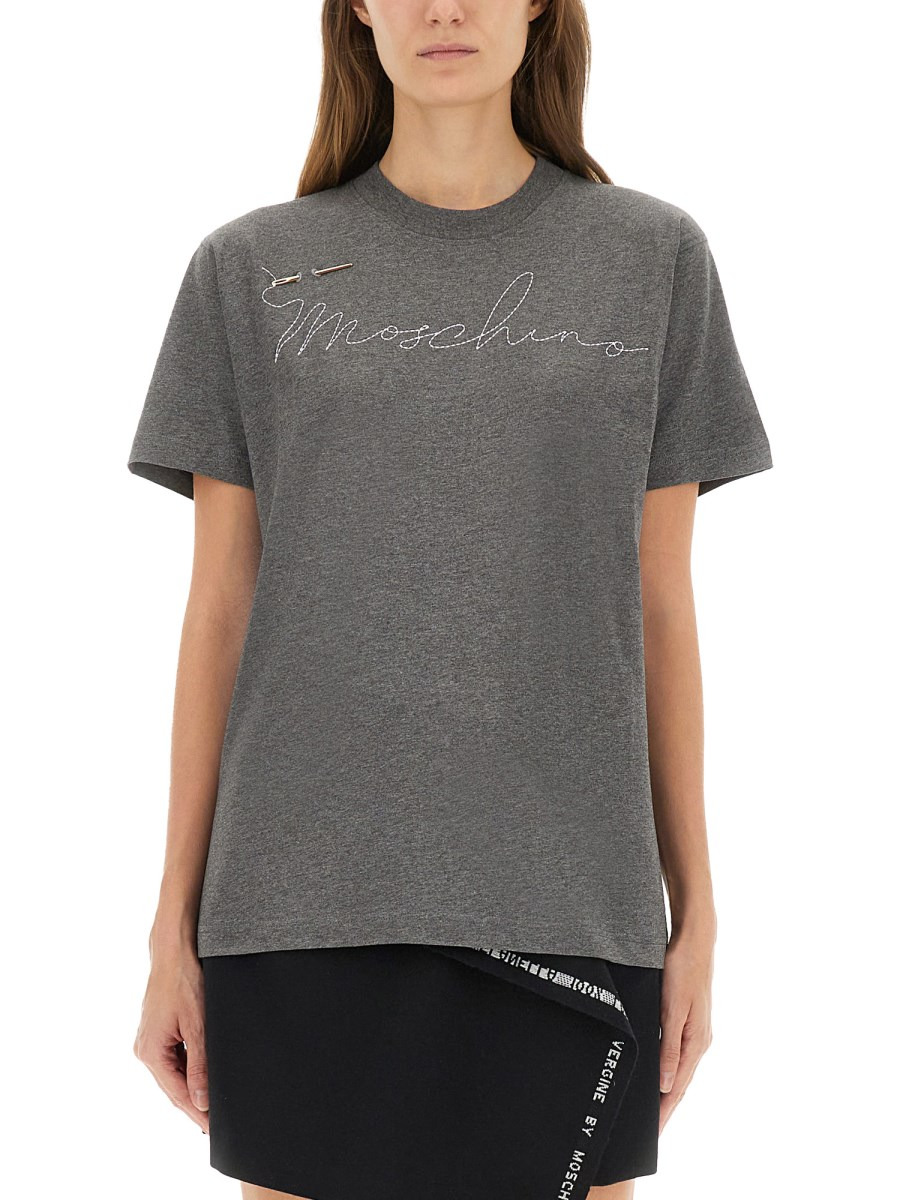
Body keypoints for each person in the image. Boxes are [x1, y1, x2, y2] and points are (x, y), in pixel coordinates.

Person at [128, 2, 773, 1198]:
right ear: (358, 10)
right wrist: (172, 927)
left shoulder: (652, 260)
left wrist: (697, 917)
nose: (443, 7)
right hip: (298, 907)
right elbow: (219, 609)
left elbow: (660, 603)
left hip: (573, 903)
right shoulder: (247, 268)